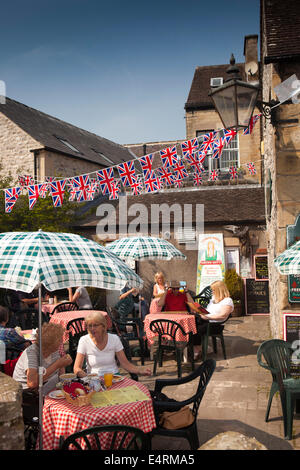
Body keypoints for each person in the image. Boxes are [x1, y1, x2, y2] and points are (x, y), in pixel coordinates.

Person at [13, 322, 72, 421]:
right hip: (29, 397)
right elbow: (32, 383)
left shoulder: (54, 350)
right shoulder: (32, 353)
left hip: (47, 389)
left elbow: (60, 370)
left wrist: (62, 371)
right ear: (50, 343)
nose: (61, 342)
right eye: (59, 340)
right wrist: (57, 364)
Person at [74, 311, 151, 378]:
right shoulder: (84, 340)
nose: (92, 328)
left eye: (95, 325)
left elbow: (125, 364)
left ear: (103, 326)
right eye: (89, 326)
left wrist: (140, 370)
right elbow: (77, 368)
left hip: (113, 377)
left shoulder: (114, 339)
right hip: (94, 379)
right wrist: (87, 378)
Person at [191, 280, 234, 358]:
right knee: (190, 323)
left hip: (216, 325)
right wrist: (199, 310)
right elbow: (209, 312)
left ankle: (197, 349)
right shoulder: (213, 299)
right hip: (206, 321)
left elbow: (223, 316)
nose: (212, 292)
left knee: (195, 328)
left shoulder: (227, 301)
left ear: (219, 290)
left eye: (213, 290)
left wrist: (207, 317)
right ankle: (197, 348)